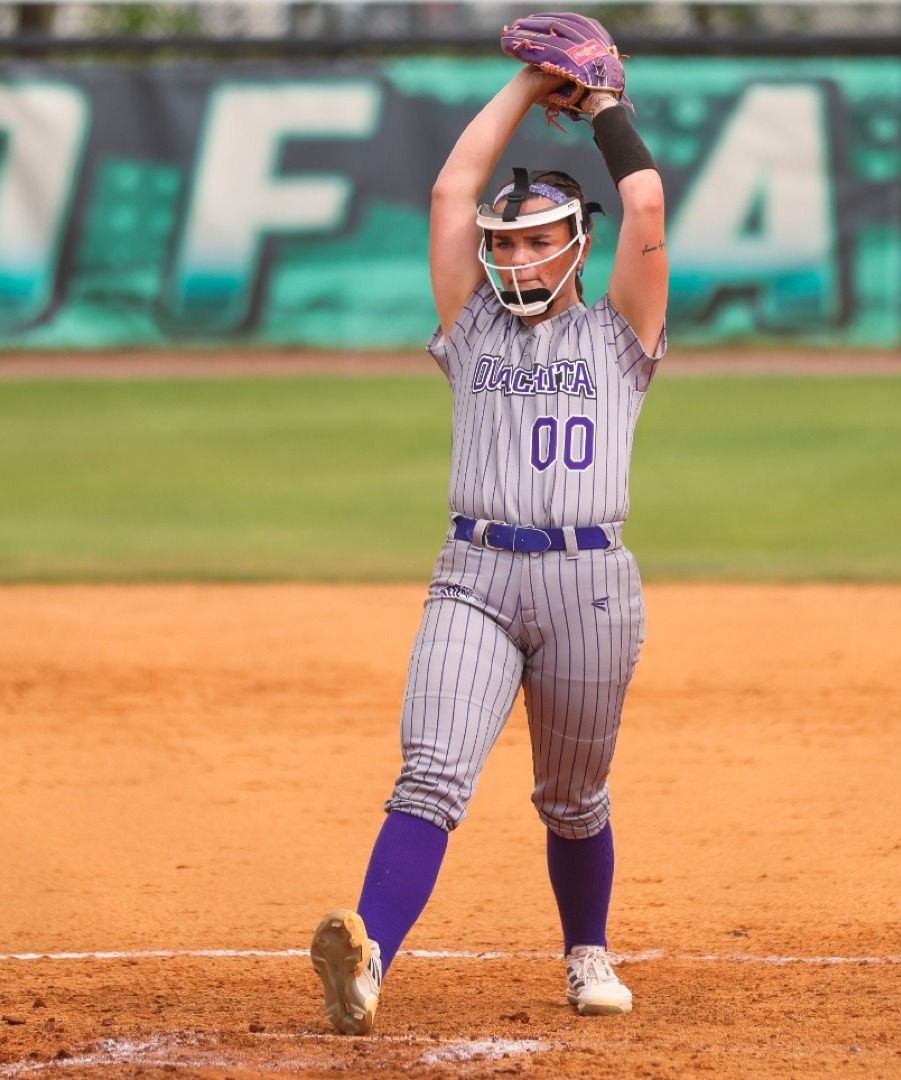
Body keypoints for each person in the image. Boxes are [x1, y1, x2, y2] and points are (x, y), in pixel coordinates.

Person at [309, 59, 667, 1037]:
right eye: (506, 241)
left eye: (540, 239)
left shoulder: (621, 333)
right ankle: (368, 958)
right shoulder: (472, 329)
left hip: (591, 583)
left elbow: (645, 202)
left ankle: (586, 951)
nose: (516, 256)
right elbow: (450, 191)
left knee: (572, 798)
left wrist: (597, 106)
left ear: (578, 247)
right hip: (473, 577)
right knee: (430, 771)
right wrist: (525, 83)